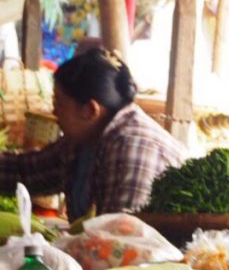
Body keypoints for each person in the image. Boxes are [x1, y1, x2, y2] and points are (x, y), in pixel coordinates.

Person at [0, 48, 185, 220]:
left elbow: (120, 239)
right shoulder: (85, 137)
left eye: (59, 103)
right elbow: (25, 171)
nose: (54, 112)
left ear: (89, 110)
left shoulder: (133, 150)